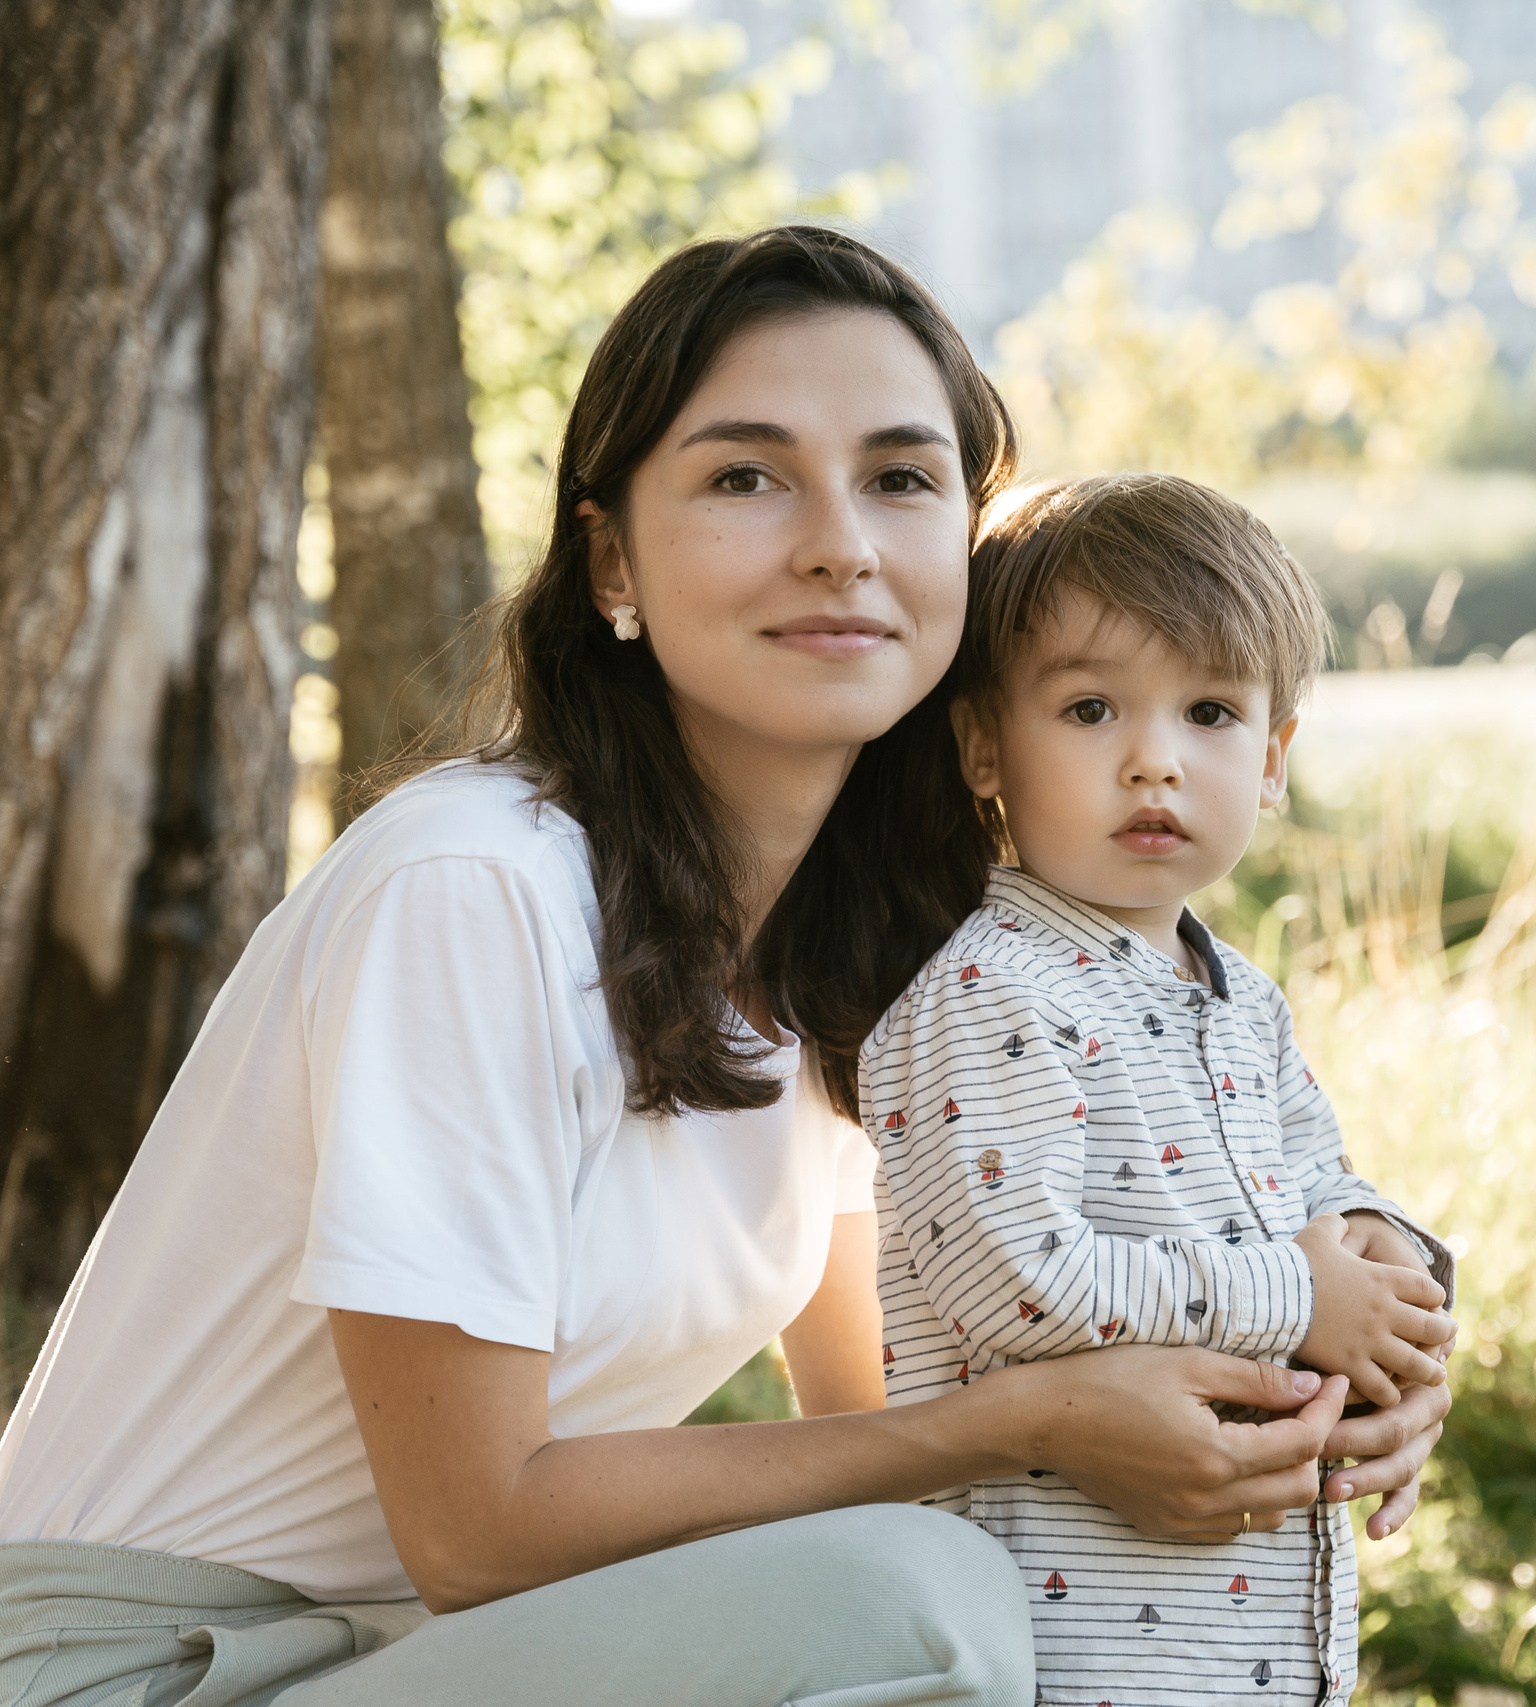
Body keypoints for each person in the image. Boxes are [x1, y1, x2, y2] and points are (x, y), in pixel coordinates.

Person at [0, 228, 1450, 1706]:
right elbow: (478, 1527)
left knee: (998, 1592)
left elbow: (895, 1402)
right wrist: (1030, 1420)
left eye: (900, 478)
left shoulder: (881, 964)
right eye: (747, 476)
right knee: (923, 1599)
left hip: (449, 1661)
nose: (842, 542)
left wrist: (1329, 1386)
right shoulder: (475, 886)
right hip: (149, 1668)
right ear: (612, 557)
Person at [864, 474, 1457, 1707]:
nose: (1154, 761)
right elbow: (1017, 1283)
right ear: (985, 746)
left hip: (1250, 1637)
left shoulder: (1240, 996)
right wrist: (1299, 1295)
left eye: (1208, 712)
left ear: (1274, 757)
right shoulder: (994, 995)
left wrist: (1390, 1277)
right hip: (1072, 1635)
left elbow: (1319, 1185)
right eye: (1089, 708)